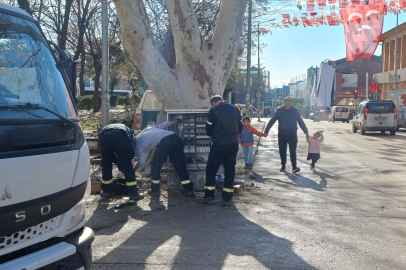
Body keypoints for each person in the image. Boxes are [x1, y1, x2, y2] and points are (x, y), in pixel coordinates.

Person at [133, 119, 194, 196]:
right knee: (179, 165)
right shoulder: (145, 130)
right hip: (176, 138)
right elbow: (163, 125)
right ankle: (188, 188)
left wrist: (133, 171)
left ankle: (155, 190)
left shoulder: (139, 146)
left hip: (165, 142)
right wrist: (175, 121)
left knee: (155, 165)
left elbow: (141, 161)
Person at [205, 95, 243, 206]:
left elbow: (208, 130)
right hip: (233, 144)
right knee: (230, 170)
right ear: (222, 100)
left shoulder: (213, 110)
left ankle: (209, 196)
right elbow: (240, 127)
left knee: (211, 169)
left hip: (218, 145)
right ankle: (227, 198)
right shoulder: (235, 109)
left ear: (213, 103)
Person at [263, 97, 309, 173]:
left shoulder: (295, 111)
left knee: (293, 151)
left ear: (292, 102)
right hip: (282, 134)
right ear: (284, 102)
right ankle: (283, 165)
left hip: (292, 135)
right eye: (286, 101)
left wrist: (306, 132)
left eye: (289, 101)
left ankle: (294, 167)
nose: (288, 102)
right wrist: (266, 131)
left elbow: (301, 122)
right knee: (282, 151)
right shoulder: (279, 111)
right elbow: (272, 121)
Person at [98, 124, 143, 201]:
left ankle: (106, 192)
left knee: (106, 164)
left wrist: (118, 162)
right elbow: (130, 147)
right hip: (121, 135)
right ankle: (133, 193)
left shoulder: (104, 129)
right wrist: (125, 163)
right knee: (127, 165)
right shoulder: (128, 131)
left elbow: (108, 156)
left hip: (104, 136)